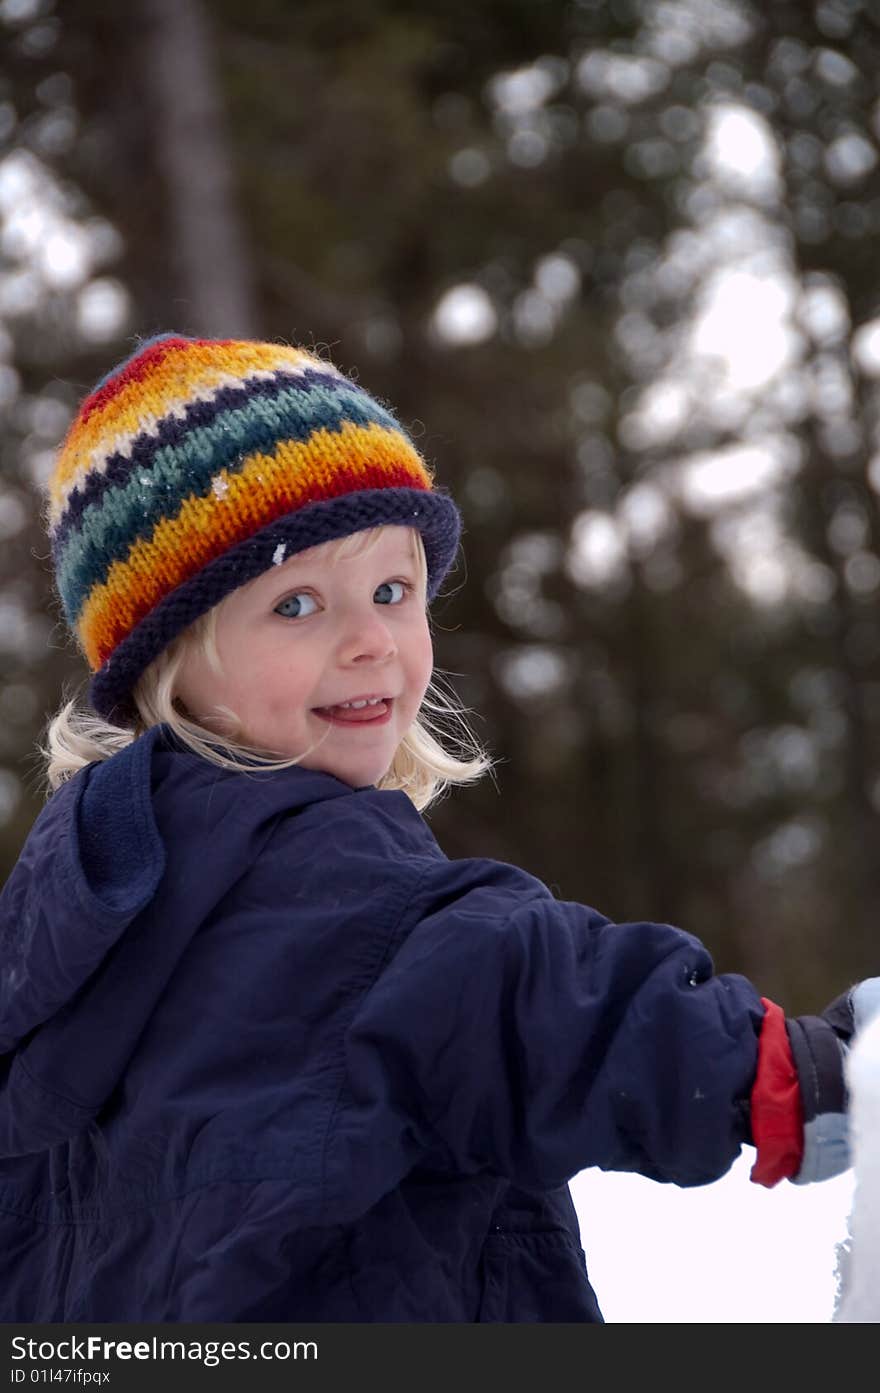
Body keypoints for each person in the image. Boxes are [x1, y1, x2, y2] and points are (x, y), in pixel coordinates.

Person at [0, 332, 877, 1323]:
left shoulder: (62, 916)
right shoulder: (325, 881)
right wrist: (804, 1076)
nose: (371, 639)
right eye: (297, 604)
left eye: (392, 591)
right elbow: (528, 993)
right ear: (168, 663)